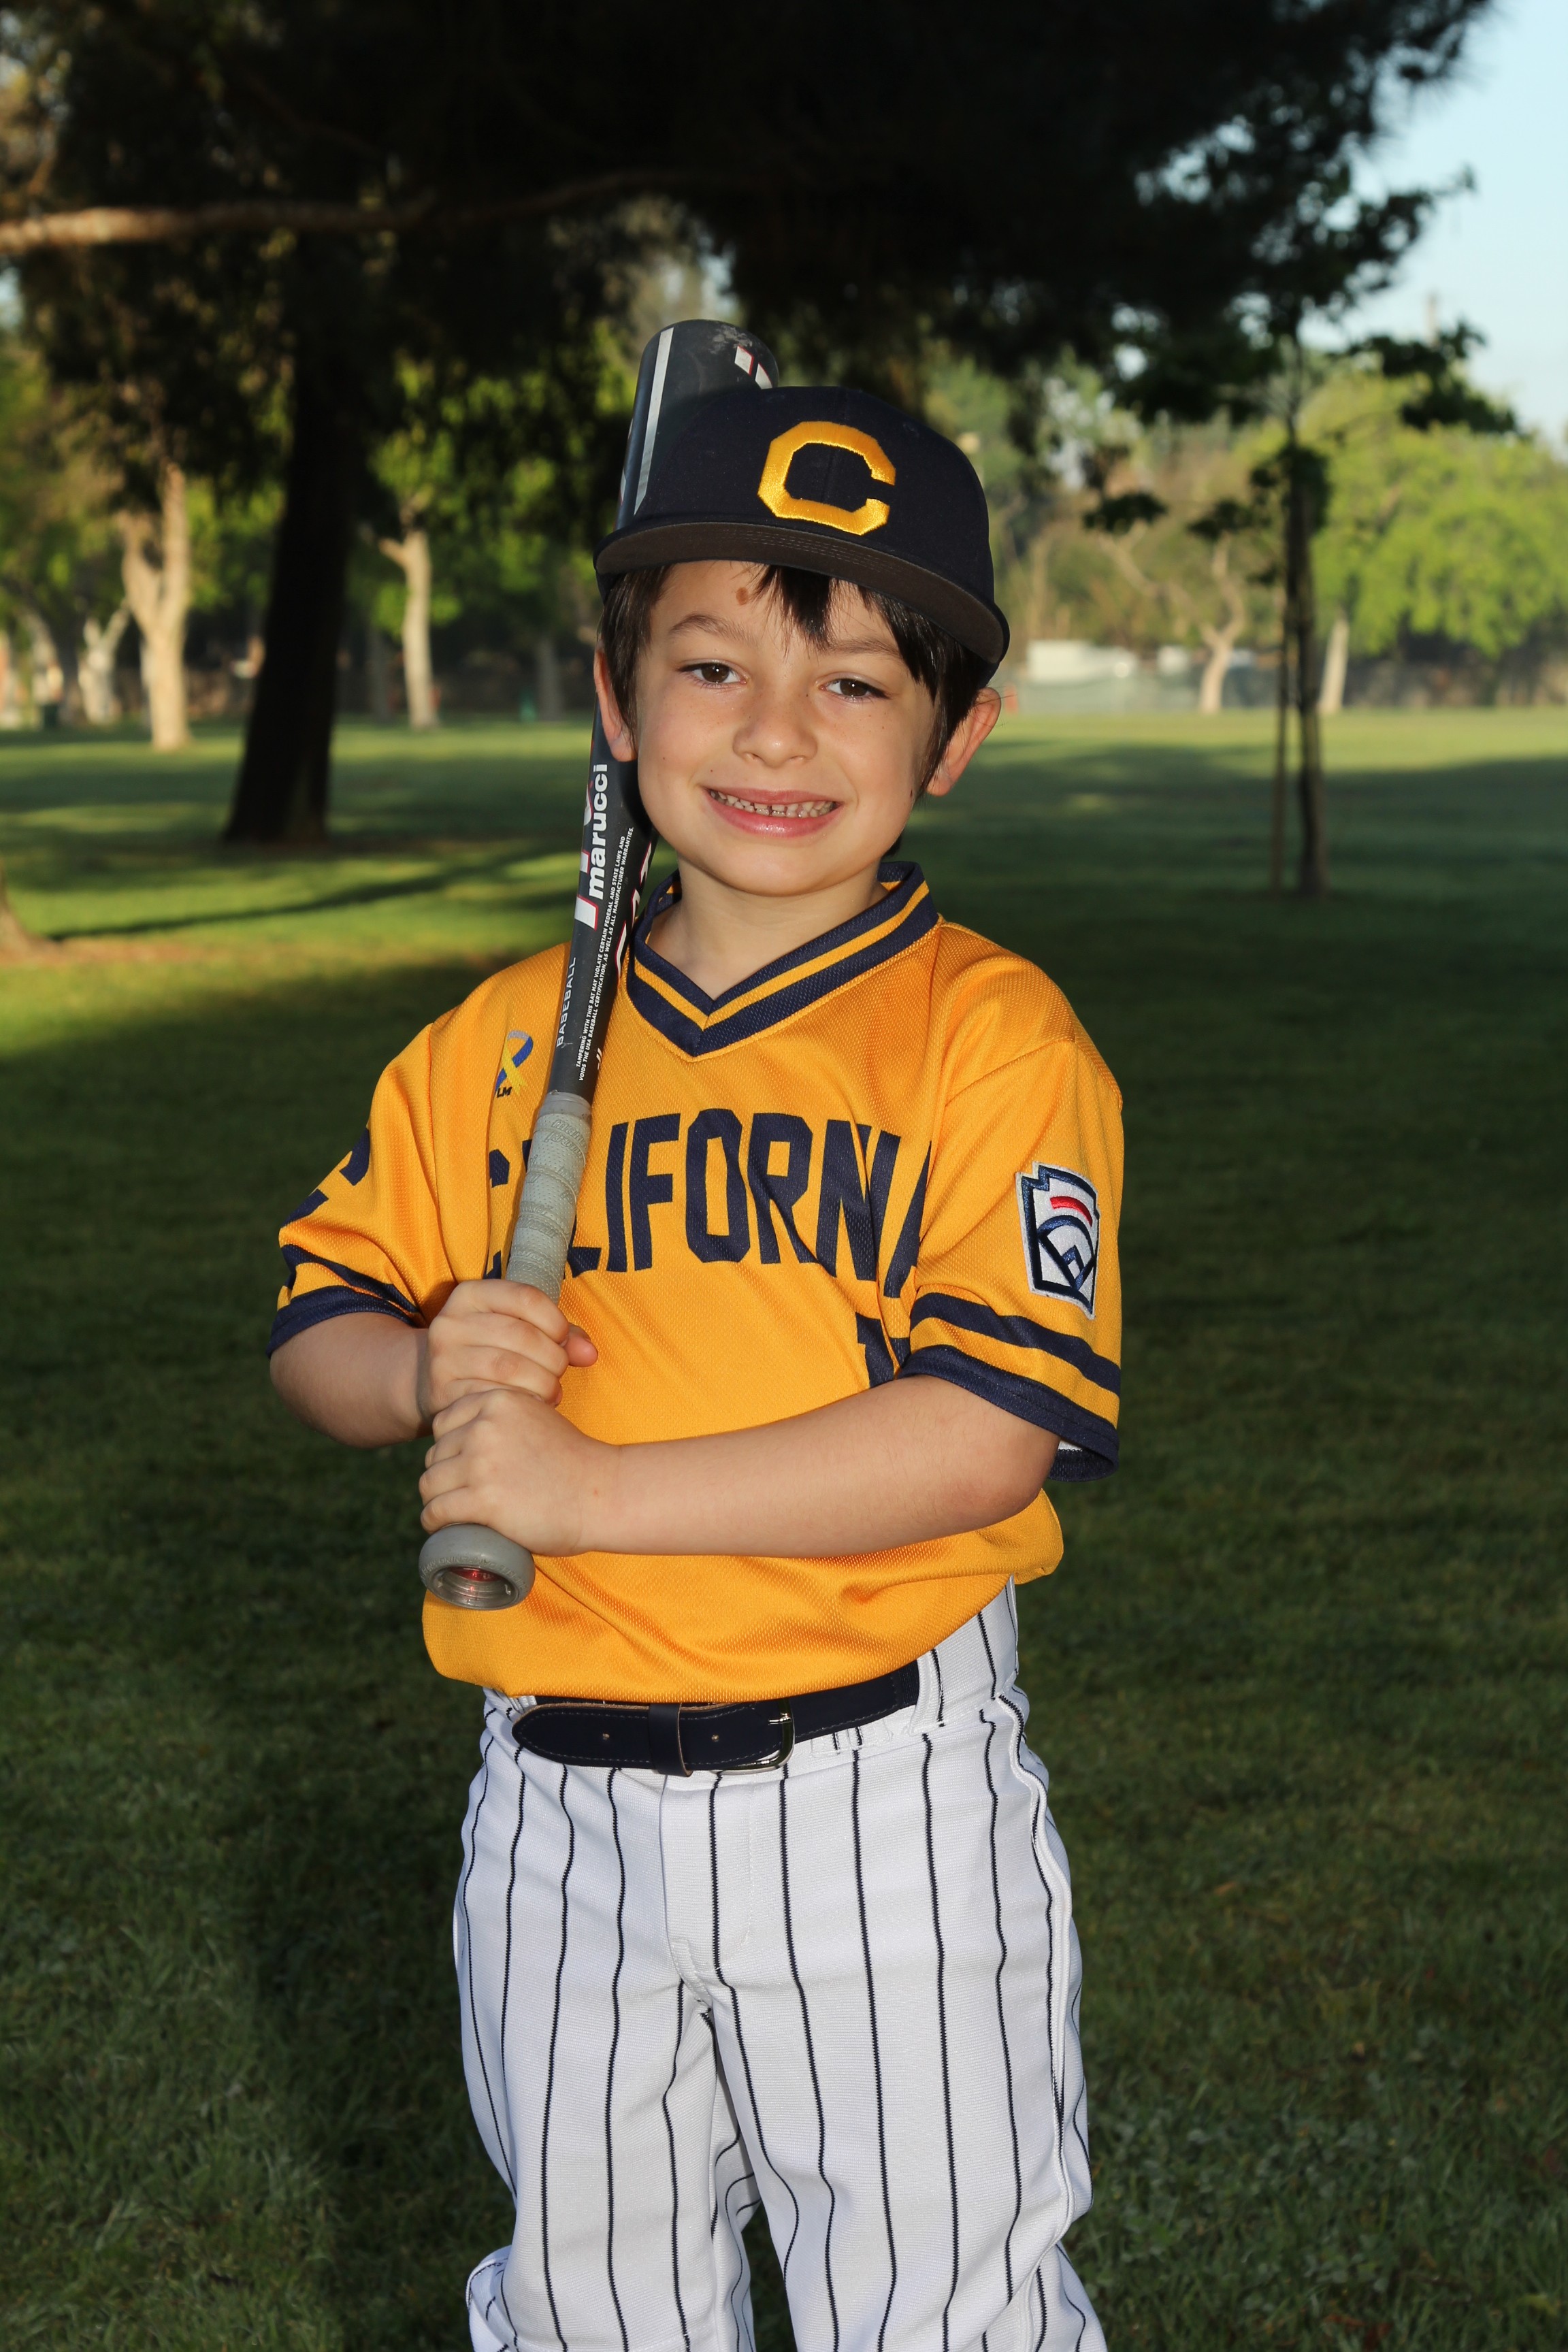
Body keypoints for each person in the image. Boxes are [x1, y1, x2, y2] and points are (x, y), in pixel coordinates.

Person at [269, 385, 1124, 2352]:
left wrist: (587, 1495)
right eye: (715, 664)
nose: (773, 731)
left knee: (940, 2311)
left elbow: (985, 1432)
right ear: (616, 695)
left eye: (856, 684)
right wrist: (419, 1375)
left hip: (876, 1802)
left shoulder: (990, 1040)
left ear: (959, 736)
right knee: (589, 2307)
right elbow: (319, 1321)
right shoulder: (499, 1041)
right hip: (554, 1806)